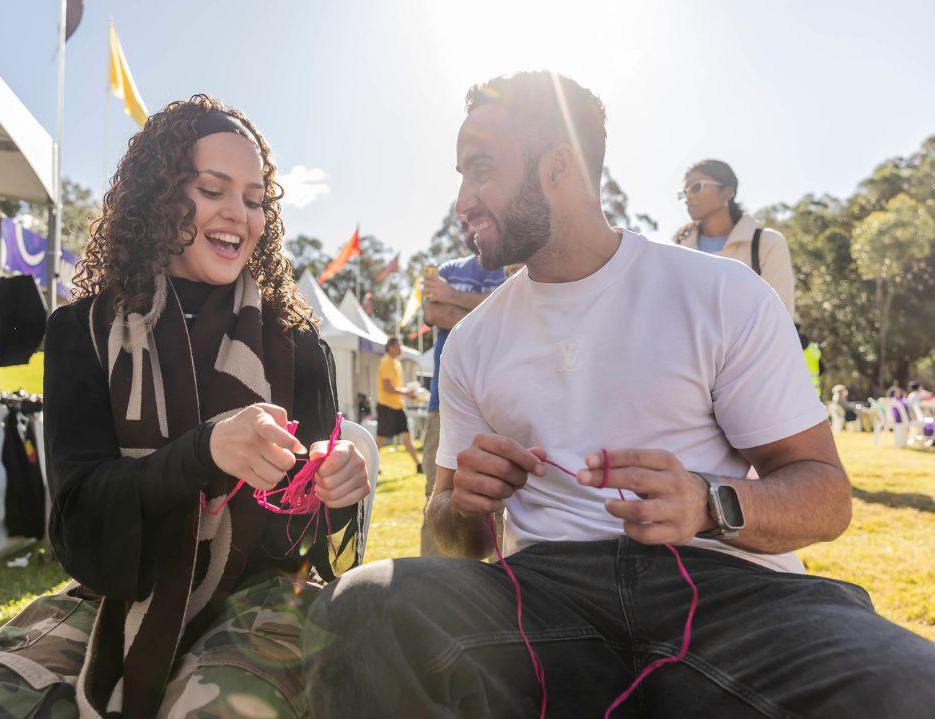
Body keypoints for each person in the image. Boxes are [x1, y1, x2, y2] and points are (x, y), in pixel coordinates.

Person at [304, 71, 935, 718]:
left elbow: (825, 496)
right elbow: (447, 529)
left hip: (728, 589)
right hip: (545, 601)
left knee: (910, 685)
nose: (462, 198)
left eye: (481, 169)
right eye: (461, 174)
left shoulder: (721, 294)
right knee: (362, 606)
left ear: (559, 167)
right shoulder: (471, 342)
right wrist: (464, 502)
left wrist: (711, 501)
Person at [0, 95, 371, 718]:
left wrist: (339, 492)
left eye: (257, 198)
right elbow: (78, 528)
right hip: (111, 599)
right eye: (214, 190)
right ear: (158, 194)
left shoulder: (300, 348)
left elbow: (321, 556)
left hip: (259, 605)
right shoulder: (81, 332)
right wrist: (202, 454)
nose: (240, 214)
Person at [420, 221, 506, 555]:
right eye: (465, 223)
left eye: (480, 219)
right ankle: (430, 584)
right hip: (445, 401)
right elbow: (433, 312)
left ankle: (494, 586)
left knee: (497, 499)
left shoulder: (513, 269)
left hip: (499, 403)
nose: (470, 226)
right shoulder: (447, 268)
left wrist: (452, 296)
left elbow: (510, 314)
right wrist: (486, 308)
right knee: (438, 495)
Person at [673, 160, 797, 318]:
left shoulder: (767, 243)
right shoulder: (679, 246)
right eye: (683, 193)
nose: (688, 197)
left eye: (696, 187)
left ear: (727, 192)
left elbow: (779, 315)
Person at [376, 337, 421, 473]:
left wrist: (407, 393)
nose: (401, 349)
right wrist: (407, 393)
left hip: (397, 406)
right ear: (391, 348)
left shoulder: (395, 362)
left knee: (406, 437)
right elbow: (387, 387)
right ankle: (370, 464)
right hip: (387, 407)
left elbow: (395, 387)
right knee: (379, 440)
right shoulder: (387, 362)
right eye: (399, 346)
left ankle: (419, 465)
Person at [798, 325, 825, 398]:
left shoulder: (794, 350)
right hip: (815, 392)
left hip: (799, 392)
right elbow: (822, 369)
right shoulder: (813, 348)